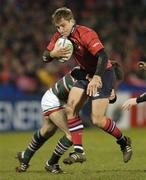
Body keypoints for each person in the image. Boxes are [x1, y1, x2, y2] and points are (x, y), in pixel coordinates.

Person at [43, 7, 132, 165]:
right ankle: (79, 151)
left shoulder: (86, 33)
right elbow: (45, 57)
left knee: (97, 120)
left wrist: (97, 77)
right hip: (85, 74)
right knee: (70, 107)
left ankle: (124, 142)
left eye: (63, 25)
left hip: (103, 72)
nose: (60, 29)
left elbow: (103, 56)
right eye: (57, 27)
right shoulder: (59, 36)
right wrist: (52, 55)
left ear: (72, 21)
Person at [15, 62, 121, 174]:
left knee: (47, 131)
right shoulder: (82, 72)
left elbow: (103, 97)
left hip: (58, 100)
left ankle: (25, 156)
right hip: (54, 100)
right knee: (71, 134)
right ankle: (51, 164)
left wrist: (112, 97)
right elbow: (78, 75)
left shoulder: (95, 80)